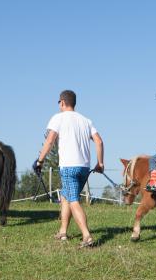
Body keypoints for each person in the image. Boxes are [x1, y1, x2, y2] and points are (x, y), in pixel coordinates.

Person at [33, 90, 104, 247]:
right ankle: (63, 231)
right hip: (84, 167)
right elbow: (98, 141)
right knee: (66, 195)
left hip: (69, 166)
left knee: (73, 200)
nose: (58, 105)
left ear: (63, 102)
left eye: (58, 102)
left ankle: (87, 236)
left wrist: (40, 161)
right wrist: (100, 163)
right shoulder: (86, 120)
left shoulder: (58, 118)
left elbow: (50, 140)